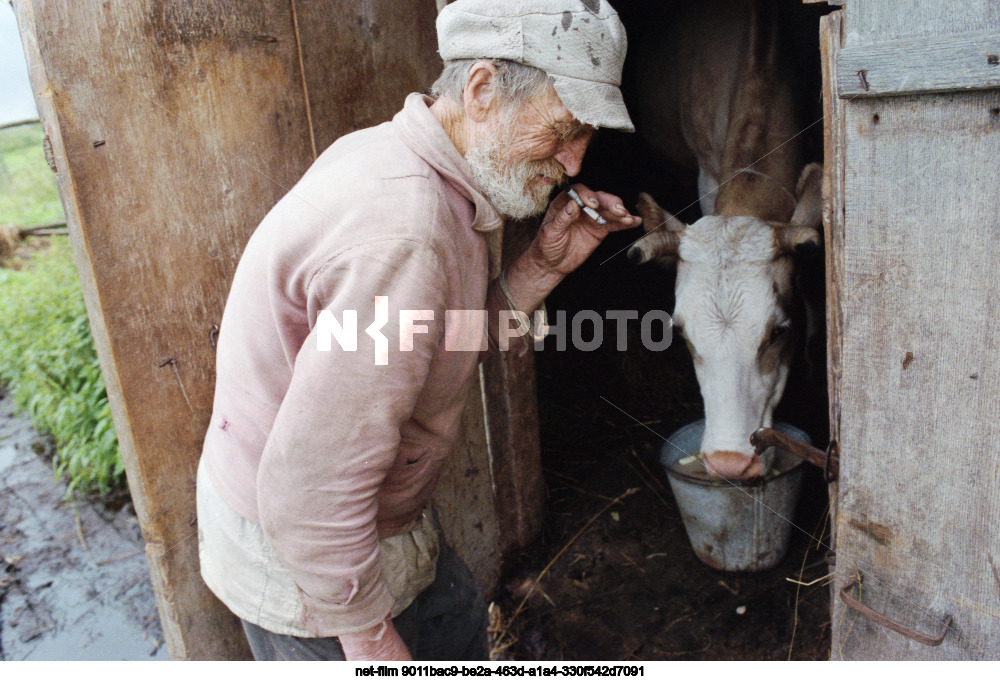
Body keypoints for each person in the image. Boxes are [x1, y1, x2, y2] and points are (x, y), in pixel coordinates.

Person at [196, 0, 640, 661]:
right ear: (483, 90)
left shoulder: (411, 161)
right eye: (563, 129)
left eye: (587, 138)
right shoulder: (407, 231)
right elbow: (308, 487)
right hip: (309, 562)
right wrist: (372, 640)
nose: (575, 164)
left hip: (358, 520)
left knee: (457, 614)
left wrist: (541, 266)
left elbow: (438, 343)